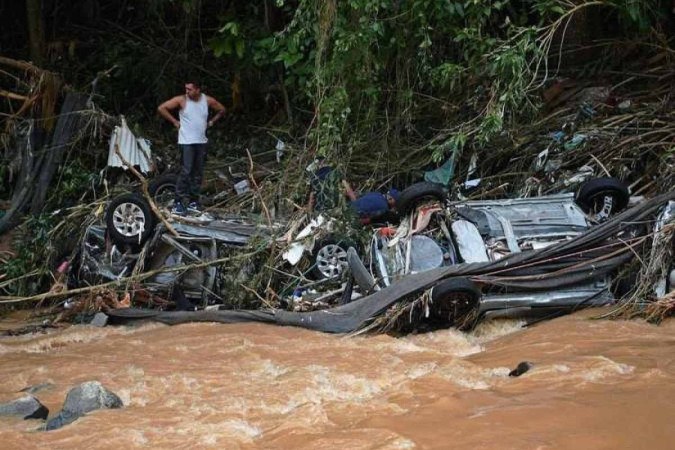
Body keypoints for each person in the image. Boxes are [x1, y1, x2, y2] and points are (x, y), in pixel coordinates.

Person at [157, 80, 226, 215]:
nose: (187, 92)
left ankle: (194, 201)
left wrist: (211, 122)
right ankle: (178, 201)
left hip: (200, 141)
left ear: (198, 90)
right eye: (186, 89)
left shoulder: (206, 100)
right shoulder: (182, 100)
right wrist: (175, 121)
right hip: (186, 141)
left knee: (198, 172)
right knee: (187, 171)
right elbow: (162, 108)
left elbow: (222, 109)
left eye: (190, 89)